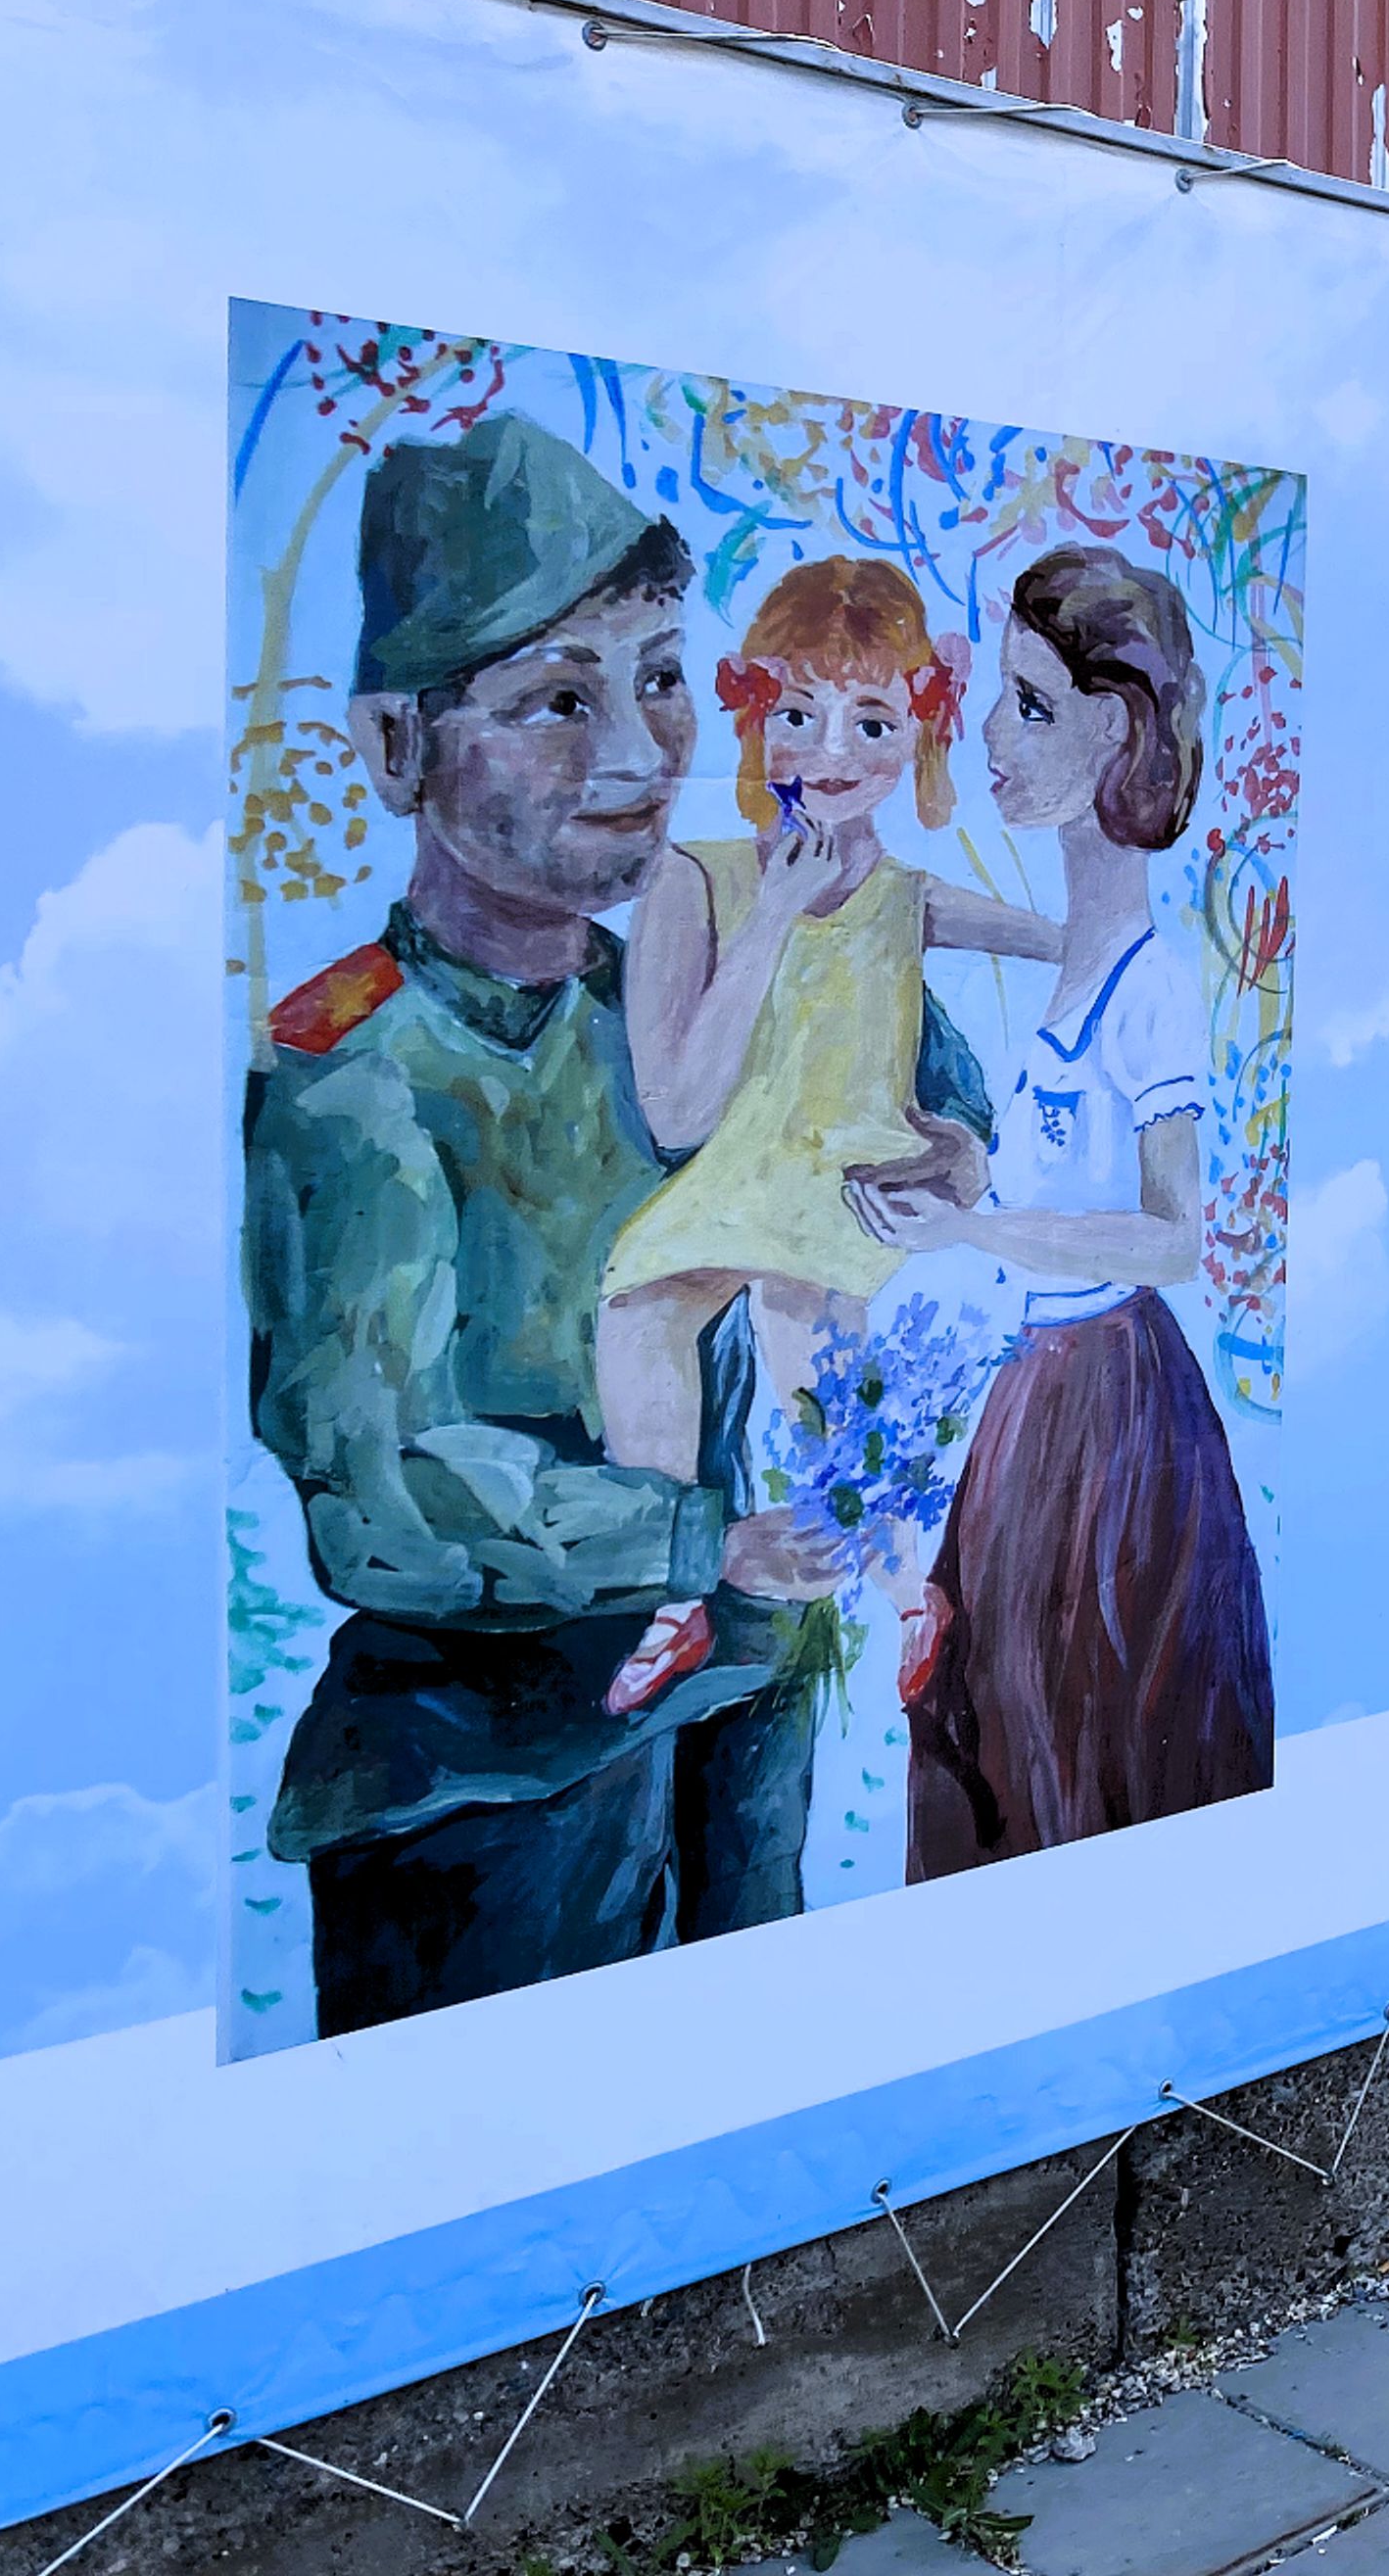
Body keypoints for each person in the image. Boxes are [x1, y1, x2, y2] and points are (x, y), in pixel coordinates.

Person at [244, 414, 991, 2034]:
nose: (639, 746)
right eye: (555, 701)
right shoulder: (353, 1077)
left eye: (661, 675)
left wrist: (950, 1142)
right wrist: (690, 1541)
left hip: (742, 1703)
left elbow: (904, 1041)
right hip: (488, 1785)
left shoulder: (685, 970)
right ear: (394, 747)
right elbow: (384, 1484)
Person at [848, 544, 1275, 1872]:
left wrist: (972, 1230)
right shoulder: (1077, 955)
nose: (990, 736)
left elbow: (1172, 1235)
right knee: (1000, 1729)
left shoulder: (1149, 979)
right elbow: (1063, 1173)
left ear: (1116, 728)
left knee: (1071, 1729)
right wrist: (964, 1173)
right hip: (1040, 1396)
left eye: (1030, 707)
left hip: (1111, 1420)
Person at [597, 557, 1061, 1488]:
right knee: (642, 1310)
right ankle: (672, 1592)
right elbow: (678, 1117)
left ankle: (881, 1587)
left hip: (853, 1186)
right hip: (731, 1185)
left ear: (920, 737)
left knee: (802, 1326)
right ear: (755, 722)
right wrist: (773, 914)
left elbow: (1069, 943)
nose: (834, 754)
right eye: (798, 715)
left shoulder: (905, 898)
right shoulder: (692, 879)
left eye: (875, 723)